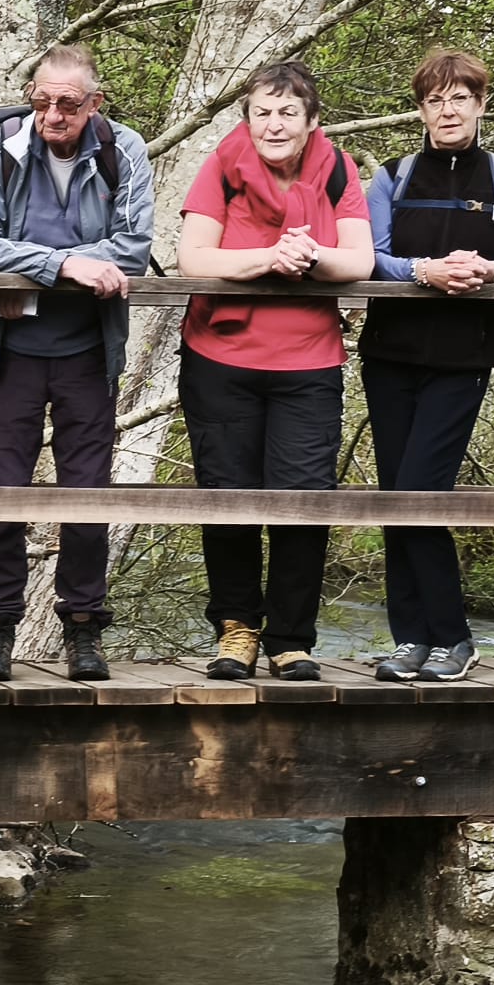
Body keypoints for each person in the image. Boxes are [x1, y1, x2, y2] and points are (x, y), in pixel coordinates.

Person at [0, 45, 155, 684]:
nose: (51, 115)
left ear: (94, 104)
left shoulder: (124, 151)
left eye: (67, 104)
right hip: (8, 347)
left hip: (88, 349)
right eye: (41, 99)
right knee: (0, 491)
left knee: (87, 494)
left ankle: (83, 628)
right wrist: (66, 265)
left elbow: (132, 247)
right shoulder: (4, 147)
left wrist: (36, 258)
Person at [176, 61, 376, 683]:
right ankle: (237, 630)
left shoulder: (338, 169)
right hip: (220, 360)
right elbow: (192, 258)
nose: (274, 123)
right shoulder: (221, 167)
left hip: (308, 363)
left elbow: (361, 260)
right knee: (227, 494)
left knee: (302, 500)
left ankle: (292, 638)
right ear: (247, 119)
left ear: (313, 121)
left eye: (289, 112)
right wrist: (271, 255)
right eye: (263, 111)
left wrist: (311, 255)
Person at [363, 50, 494, 684]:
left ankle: (454, 637)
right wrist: (423, 271)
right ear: (421, 109)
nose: (447, 111)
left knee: (421, 489)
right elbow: (369, 258)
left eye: (459, 99)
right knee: (396, 498)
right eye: (434, 100)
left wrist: (488, 270)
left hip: (462, 358)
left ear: (480, 104)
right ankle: (410, 640)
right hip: (389, 355)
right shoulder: (393, 176)